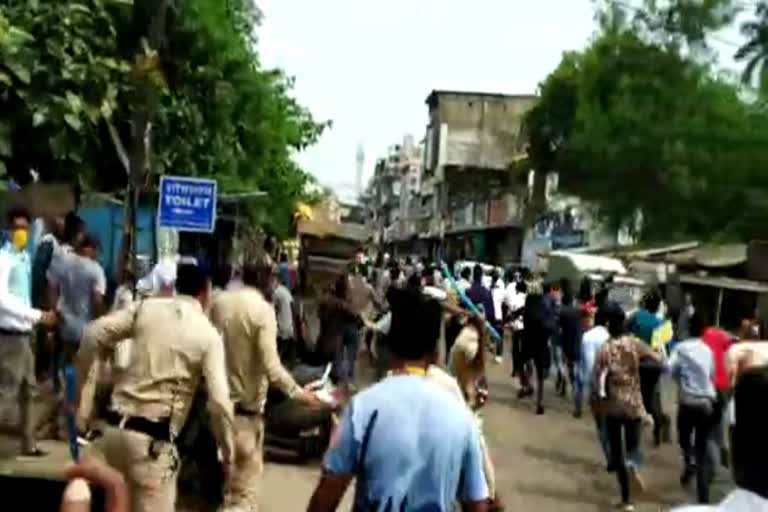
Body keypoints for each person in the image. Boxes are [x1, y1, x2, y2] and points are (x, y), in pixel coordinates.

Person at [307, 286, 489, 512]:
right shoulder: (461, 418)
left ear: (390, 348)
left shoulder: (365, 407)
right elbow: (478, 505)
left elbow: (327, 497)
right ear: (435, 351)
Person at [77, 264, 235, 512]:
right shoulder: (207, 335)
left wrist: (84, 397)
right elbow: (220, 403)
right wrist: (227, 452)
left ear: (176, 286)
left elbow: (92, 334)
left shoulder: (145, 309)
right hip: (151, 448)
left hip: (111, 437)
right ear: (205, 293)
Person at [210, 258, 322, 511]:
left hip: (215, 413)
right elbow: (272, 367)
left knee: (218, 491)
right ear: (267, 281)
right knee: (242, 496)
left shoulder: (219, 303)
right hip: (244, 420)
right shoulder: (262, 310)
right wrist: (299, 394)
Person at [592, 302, 662, 512]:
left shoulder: (605, 348)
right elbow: (657, 358)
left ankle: (627, 500)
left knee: (617, 453)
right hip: (634, 404)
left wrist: (599, 401)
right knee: (633, 447)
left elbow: (598, 379)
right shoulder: (635, 343)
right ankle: (633, 464)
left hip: (614, 406)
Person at [0, 206, 57, 456]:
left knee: (28, 391)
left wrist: (35, 319)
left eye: (24, 228)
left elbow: (22, 297)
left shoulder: (24, 259)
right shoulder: (4, 259)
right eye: (17, 228)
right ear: (8, 230)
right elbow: (2, 300)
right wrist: (37, 315)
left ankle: (28, 443)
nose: (20, 232)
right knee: (6, 393)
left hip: (25, 335)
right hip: (9, 336)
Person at [673, 365, 768, 511]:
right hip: (711, 402)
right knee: (705, 444)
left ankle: (691, 462)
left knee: (699, 446)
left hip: (693, 402)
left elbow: (673, 371)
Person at [448, 313, 499, 507]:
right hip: (466, 402)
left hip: (463, 401)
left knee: (475, 451)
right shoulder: (471, 341)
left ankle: (488, 494)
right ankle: (489, 494)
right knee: (477, 451)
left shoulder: (465, 339)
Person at [668, 312, 717, 504]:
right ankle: (704, 501)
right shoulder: (708, 351)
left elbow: (670, 369)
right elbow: (711, 375)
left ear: (688, 328)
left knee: (683, 438)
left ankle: (689, 461)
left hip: (687, 402)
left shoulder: (680, 348)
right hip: (706, 404)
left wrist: (681, 380)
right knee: (702, 449)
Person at [50, 234, 107, 372]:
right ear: (90, 249)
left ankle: (63, 388)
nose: (96, 255)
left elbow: (51, 288)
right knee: (83, 369)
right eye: (96, 251)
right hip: (85, 328)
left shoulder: (63, 263)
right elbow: (97, 300)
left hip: (65, 324)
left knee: (67, 363)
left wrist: (56, 312)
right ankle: (75, 391)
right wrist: (101, 321)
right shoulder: (95, 269)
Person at [628, 290, 668, 446]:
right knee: (651, 397)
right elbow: (663, 348)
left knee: (635, 396)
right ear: (658, 306)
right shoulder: (662, 323)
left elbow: (625, 330)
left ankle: (635, 437)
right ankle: (657, 428)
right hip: (655, 365)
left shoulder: (637, 315)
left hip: (637, 362)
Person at [578, 306, 611, 467]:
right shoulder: (612, 336)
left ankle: (610, 457)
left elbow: (590, 366)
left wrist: (589, 388)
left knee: (601, 425)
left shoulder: (588, 337)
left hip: (598, 388)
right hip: (614, 386)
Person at [559, 281, 583, 406]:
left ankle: (564, 384)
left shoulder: (562, 312)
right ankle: (576, 393)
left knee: (565, 365)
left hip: (566, 343)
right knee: (576, 370)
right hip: (577, 343)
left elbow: (559, 328)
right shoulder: (578, 311)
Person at [273, 271, 297, 368]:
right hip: (289, 325)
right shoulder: (285, 291)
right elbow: (292, 306)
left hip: (281, 326)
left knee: (279, 350)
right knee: (289, 349)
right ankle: (291, 367)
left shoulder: (276, 292)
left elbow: (274, 310)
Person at [506, 280, 526, 379]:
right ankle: (521, 368)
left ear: (517, 289)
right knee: (523, 349)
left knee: (515, 349)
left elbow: (511, 311)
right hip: (525, 326)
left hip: (516, 326)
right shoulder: (528, 298)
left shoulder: (515, 298)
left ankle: (515, 369)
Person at [490, 271, 506, 364]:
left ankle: (498, 354)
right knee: (498, 336)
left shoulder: (493, 291)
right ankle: (498, 355)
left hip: (495, 316)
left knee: (497, 335)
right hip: (497, 316)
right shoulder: (496, 290)